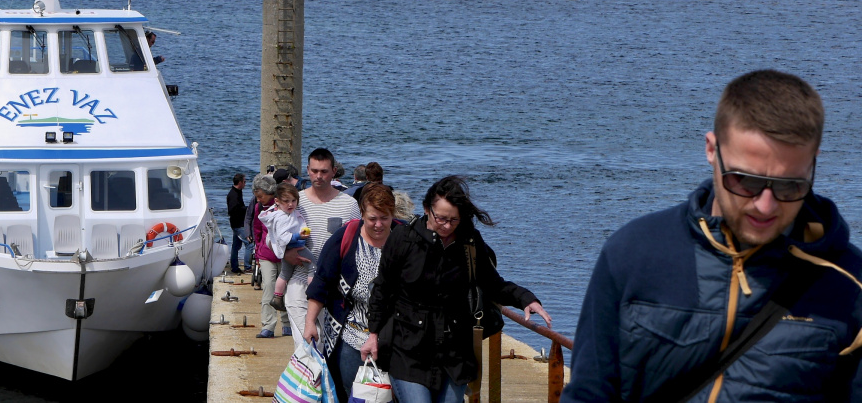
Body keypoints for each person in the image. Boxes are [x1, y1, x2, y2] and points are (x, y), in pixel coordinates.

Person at [563, 70, 862, 402]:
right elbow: (589, 393)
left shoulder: (852, 287)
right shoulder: (632, 254)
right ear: (711, 149)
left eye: (789, 185)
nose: (765, 206)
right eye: (744, 181)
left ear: (813, 163)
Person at [363, 175, 549, 403]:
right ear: (426, 209)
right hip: (408, 351)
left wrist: (526, 299)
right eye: (440, 218)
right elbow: (382, 289)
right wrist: (373, 335)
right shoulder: (403, 238)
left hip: (454, 355)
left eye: (453, 220)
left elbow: (493, 285)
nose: (447, 226)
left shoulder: (469, 243)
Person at [305, 183, 400, 402]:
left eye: (384, 218)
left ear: (392, 214)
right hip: (351, 334)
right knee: (353, 395)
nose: (378, 225)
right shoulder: (344, 237)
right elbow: (322, 283)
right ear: (362, 214)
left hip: (394, 337)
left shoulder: (404, 237)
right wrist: (310, 322)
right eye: (372, 218)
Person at [283, 148, 362, 349]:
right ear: (308, 170)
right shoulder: (295, 202)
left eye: (324, 171)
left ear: (334, 171)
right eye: (315, 171)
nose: (319, 176)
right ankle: (307, 380)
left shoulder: (349, 204)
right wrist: (286, 253)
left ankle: (322, 380)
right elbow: (272, 237)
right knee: (305, 345)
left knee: (328, 345)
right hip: (300, 280)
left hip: (334, 286)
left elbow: (359, 243)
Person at [248, 174, 289, 338]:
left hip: (284, 255)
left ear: (270, 192)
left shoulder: (284, 205)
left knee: (285, 290)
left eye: (260, 196)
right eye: (257, 197)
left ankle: (287, 324)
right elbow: (257, 230)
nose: (259, 200)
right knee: (268, 288)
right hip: (265, 255)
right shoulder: (259, 208)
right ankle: (268, 326)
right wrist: (257, 253)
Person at [261, 184, 311, 310]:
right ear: (277, 201)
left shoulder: (278, 213)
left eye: (294, 201)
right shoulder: (282, 217)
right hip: (296, 247)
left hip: (287, 249)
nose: (291, 204)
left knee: (284, 273)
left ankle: (277, 297)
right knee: (313, 267)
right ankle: (313, 294)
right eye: (287, 201)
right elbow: (283, 237)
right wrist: (298, 236)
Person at [226, 172, 251, 274]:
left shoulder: (237, 192)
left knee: (236, 246)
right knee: (249, 244)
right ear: (240, 182)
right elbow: (233, 210)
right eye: (244, 182)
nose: (245, 184)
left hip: (236, 223)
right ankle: (248, 267)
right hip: (238, 224)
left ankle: (234, 266)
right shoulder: (233, 195)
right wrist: (247, 209)